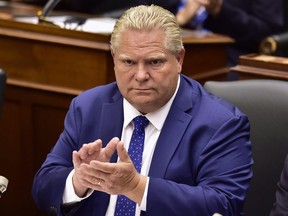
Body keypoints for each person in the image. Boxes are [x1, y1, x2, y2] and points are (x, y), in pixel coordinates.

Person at [32, 4, 253, 216]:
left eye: (154, 62)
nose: (140, 75)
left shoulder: (221, 123)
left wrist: (137, 187)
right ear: (114, 59)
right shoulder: (88, 106)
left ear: (179, 60)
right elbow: (43, 188)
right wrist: (81, 180)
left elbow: (224, 204)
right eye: (128, 62)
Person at [174, 0, 285, 67]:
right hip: (179, 46)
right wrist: (178, 19)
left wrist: (220, 10)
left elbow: (265, 34)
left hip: (234, 55)